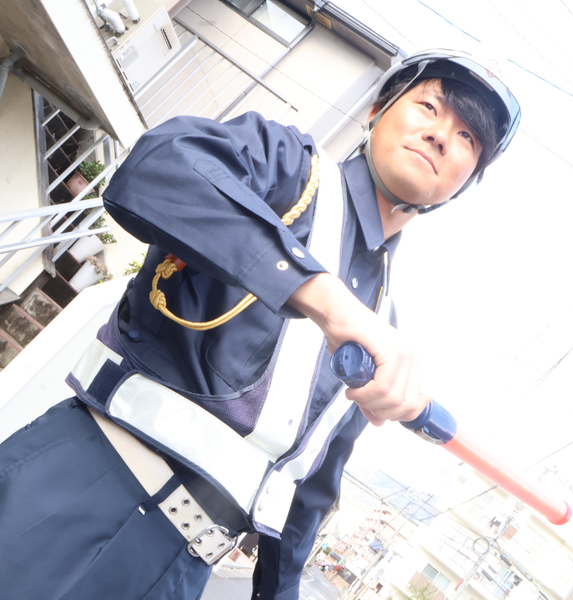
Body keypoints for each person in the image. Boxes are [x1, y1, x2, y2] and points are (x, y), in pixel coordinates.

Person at [0, 49, 520, 600]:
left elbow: (309, 485)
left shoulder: (383, 320)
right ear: (377, 110)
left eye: (468, 138)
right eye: (428, 107)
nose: (441, 135)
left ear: (466, 180)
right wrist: (328, 302)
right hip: (78, 491)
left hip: (183, 571)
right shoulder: (292, 169)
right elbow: (155, 170)